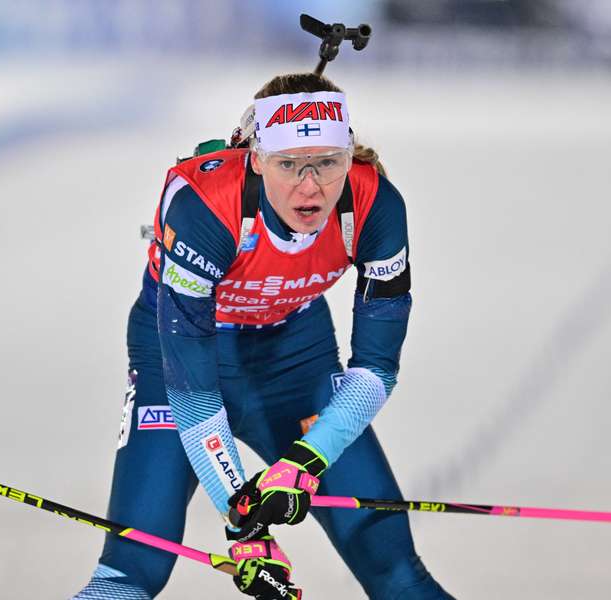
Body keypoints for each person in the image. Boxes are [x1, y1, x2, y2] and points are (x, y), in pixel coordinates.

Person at [73, 73, 452, 599]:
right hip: (181, 365)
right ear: (256, 158)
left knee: (391, 563)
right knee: (133, 570)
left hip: (294, 359)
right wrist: (245, 524)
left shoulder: (375, 204)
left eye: (327, 162)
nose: (310, 186)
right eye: (289, 164)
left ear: (350, 157)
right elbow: (192, 391)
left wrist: (306, 461)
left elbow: (375, 371)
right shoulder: (205, 204)